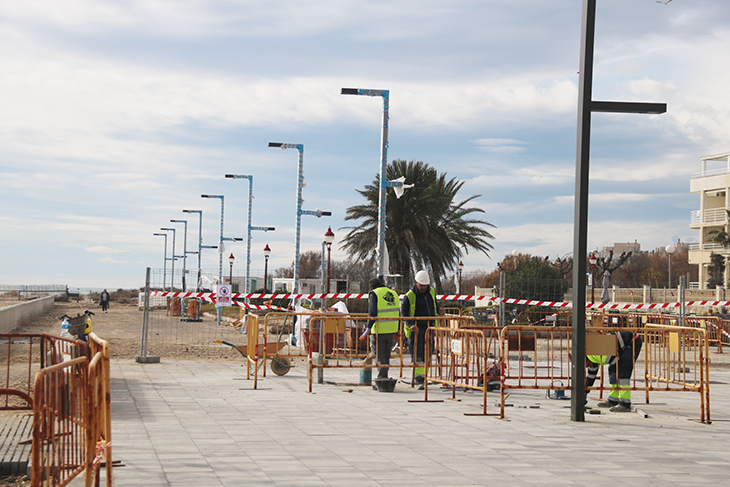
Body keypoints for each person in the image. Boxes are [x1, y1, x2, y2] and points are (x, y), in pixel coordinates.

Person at [585, 330, 643, 412]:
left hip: (631, 341)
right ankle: (613, 400)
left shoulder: (596, 354)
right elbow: (591, 377)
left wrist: (614, 373)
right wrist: (585, 392)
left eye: (587, 365)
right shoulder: (591, 359)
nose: (588, 367)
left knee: (622, 372)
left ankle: (625, 404)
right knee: (612, 373)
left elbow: (616, 360)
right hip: (620, 347)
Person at [400, 270, 442, 384]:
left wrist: (439, 312)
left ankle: (424, 376)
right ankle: (418, 377)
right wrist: (411, 324)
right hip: (416, 329)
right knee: (418, 353)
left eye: (425, 285)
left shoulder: (431, 292)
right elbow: (404, 313)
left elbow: (434, 306)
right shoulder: (410, 295)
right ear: (416, 282)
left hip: (430, 327)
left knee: (428, 352)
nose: (423, 287)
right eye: (421, 285)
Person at [360, 277, 400, 380]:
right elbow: (398, 312)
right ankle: (384, 375)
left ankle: (382, 377)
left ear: (372, 287)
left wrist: (368, 328)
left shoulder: (374, 293)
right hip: (392, 329)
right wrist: (398, 329)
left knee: (379, 354)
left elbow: (373, 312)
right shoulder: (393, 293)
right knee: (386, 354)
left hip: (379, 329)